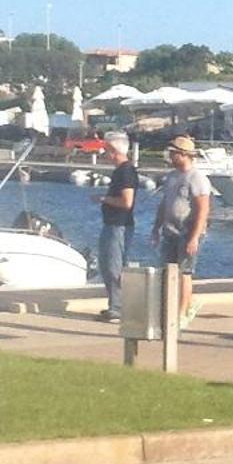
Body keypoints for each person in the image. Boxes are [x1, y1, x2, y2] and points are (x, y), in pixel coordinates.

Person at [151, 135, 213, 332]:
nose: (170, 156)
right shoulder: (171, 176)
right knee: (168, 271)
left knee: (185, 272)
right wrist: (156, 227)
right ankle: (168, 308)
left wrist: (194, 237)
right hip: (170, 230)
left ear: (184, 155)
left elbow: (203, 209)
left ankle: (182, 312)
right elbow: (165, 203)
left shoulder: (196, 179)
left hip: (188, 231)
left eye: (174, 153)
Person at [95, 131, 138, 323]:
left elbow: (127, 201)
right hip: (112, 224)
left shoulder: (126, 171)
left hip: (119, 225)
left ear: (113, 150)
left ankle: (118, 307)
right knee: (107, 264)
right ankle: (114, 303)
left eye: (106, 150)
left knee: (114, 265)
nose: (104, 153)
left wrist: (104, 199)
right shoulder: (120, 171)